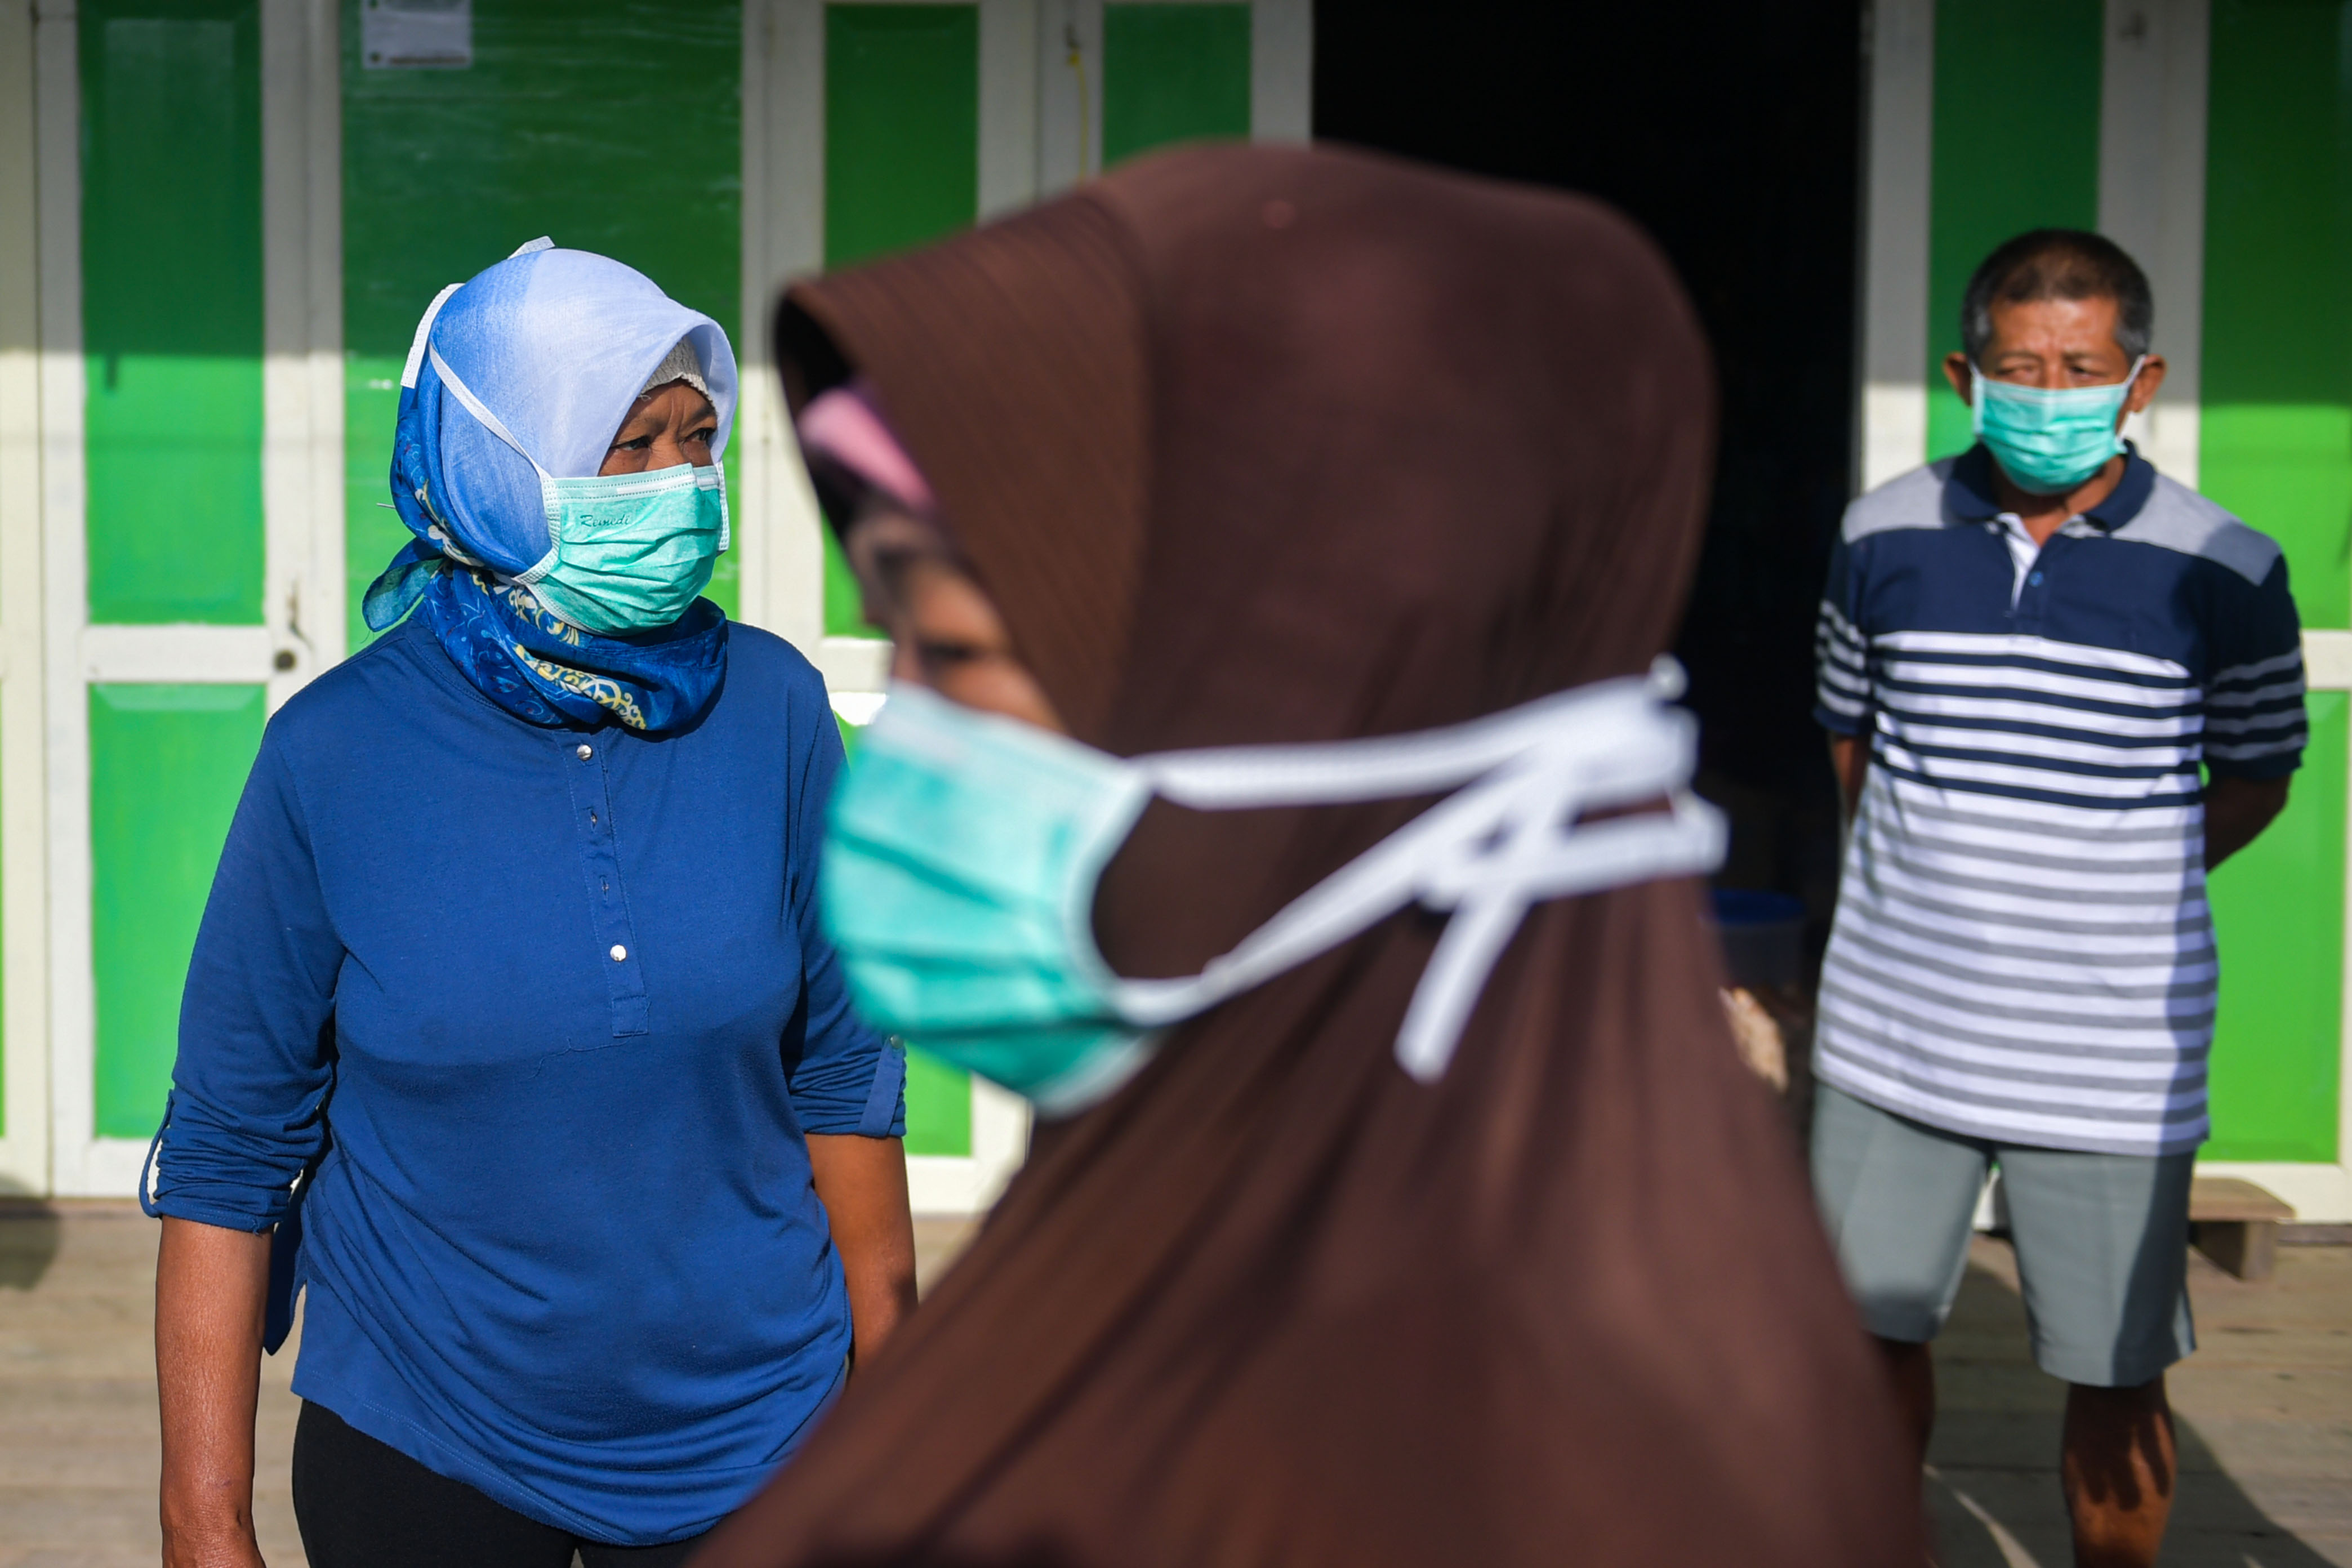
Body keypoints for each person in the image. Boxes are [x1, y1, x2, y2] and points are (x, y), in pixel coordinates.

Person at [686, 144, 1921, 1567]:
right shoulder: (1210, 1184)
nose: (904, 733)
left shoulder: (1536, 1462)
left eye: (956, 650)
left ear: (1313, 710)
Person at [145, 242, 915, 1568]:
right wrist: (202, 1521)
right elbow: (228, 1149)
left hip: (763, 1438)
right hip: (429, 1445)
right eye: (631, 448)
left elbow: (844, 1075)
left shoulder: (775, 711)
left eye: (700, 440)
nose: (684, 487)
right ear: (500, 470)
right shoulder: (334, 756)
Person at [1810, 229, 2306, 1567]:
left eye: (2081, 367)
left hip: (2109, 1055)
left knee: (2115, 1375)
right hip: (1891, 1033)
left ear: (2139, 384)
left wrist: (2115, 869)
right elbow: (1852, 739)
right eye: (2020, 368)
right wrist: (1944, 876)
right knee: (1864, 1340)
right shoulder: (1879, 534)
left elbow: (2260, 773)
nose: (2049, 392)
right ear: (1966, 374)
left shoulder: (2231, 569)